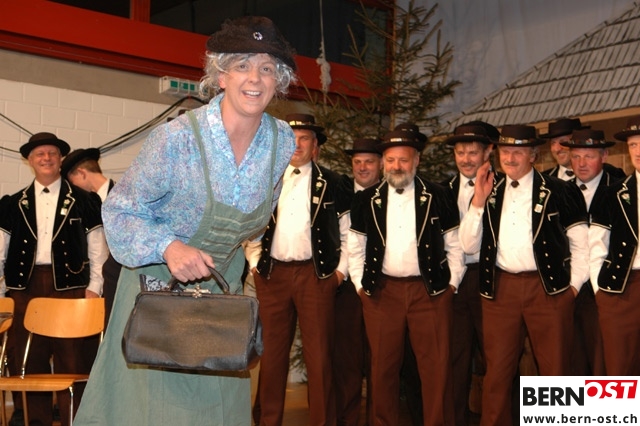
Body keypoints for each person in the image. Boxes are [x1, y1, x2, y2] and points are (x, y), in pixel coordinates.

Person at [72, 16, 297, 425]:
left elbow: (259, 217)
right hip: (159, 295)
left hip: (221, 300)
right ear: (221, 76)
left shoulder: (282, 141)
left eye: (267, 68)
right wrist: (170, 246)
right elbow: (121, 210)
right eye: (242, 65)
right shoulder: (177, 139)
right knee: (161, 413)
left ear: (278, 81)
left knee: (221, 409)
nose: (255, 78)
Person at [459, 124, 589, 425]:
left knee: (556, 372)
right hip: (501, 290)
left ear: (533, 155)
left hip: (548, 289)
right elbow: (467, 246)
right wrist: (478, 201)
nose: (510, 158)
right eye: (505, 151)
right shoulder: (488, 190)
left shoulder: (561, 190)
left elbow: (581, 245)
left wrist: (571, 289)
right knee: (497, 373)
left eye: (518, 152)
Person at [348, 128, 465, 426]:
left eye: (403, 159)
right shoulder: (366, 199)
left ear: (416, 161)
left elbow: (454, 245)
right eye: (390, 160)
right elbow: (355, 247)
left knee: (436, 369)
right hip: (381, 293)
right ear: (383, 162)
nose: (396, 166)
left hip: (430, 293)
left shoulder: (439, 195)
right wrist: (361, 286)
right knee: (382, 369)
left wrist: (451, 285)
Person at [244, 112, 348, 426]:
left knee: (319, 357)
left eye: (304, 139)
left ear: (315, 147)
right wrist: (255, 264)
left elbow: (349, 233)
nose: (297, 145)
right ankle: (268, 421)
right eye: (291, 139)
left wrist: (339, 273)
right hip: (272, 276)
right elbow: (251, 228)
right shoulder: (266, 180)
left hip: (316, 277)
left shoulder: (334, 183)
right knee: (272, 356)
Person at [0, 132, 108, 426]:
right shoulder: (11, 204)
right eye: (40, 154)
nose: (46, 158)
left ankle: (76, 420)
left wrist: (94, 288)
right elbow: (0, 252)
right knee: (28, 361)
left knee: (73, 360)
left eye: (52, 153)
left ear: (60, 159)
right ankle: (35, 421)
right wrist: (2, 295)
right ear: (30, 160)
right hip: (24, 290)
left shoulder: (85, 201)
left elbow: (98, 250)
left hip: (71, 290)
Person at [443, 122, 496, 426]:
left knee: (497, 358)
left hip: (492, 279)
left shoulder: (503, 187)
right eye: (460, 153)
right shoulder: (443, 191)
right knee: (455, 357)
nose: (465, 159)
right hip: (455, 282)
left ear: (488, 152)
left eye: (472, 152)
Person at [562, 129, 620, 376]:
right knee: (570, 359)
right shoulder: (560, 191)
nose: (581, 163)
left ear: (604, 156)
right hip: (568, 288)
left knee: (605, 360)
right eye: (576, 157)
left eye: (589, 156)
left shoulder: (619, 189)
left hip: (607, 288)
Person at [334, 137, 382, 426]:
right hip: (346, 290)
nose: (363, 167)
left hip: (380, 287)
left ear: (381, 165)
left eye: (369, 162)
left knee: (381, 359)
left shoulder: (391, 195)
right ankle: (347, 420)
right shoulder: (339, 194)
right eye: (357, 162)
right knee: (347, 359)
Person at [589, 115, 640, 375]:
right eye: (633, 145)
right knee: (620, 370)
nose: (638, 151)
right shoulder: (611, 194)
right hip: (622, 288)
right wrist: (600, 291)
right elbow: (596, 246)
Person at [61, 148, 120, 329]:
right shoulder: (85, 204)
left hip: (120, 280)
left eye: (73, 182)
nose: (74, 189)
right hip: (97, 282)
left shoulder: (123, 196)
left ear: (82, 173)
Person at [541, 117, 625, 181]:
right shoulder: (543, 180)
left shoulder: (614, 175)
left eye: (563, 142)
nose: (557, 149)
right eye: (553, 143)